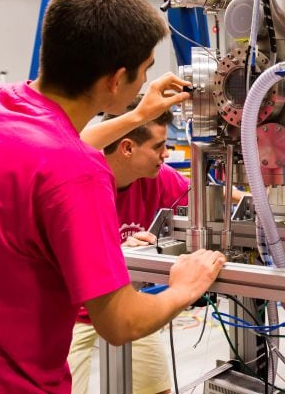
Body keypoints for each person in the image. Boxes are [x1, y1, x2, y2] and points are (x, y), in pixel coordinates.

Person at [0, 0, 225, 393]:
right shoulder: (79, 174)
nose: (143, 84)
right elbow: (119, 322)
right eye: (143, 73)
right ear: (116, 81)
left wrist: (140, 116)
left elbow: (50, 151)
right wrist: (182, 289)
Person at [69, 100, 188, 394]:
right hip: (70, 311)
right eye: (159, 146)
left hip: (127, 300)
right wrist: (118, 249)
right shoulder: (79, 180)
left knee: (156, 388)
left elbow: (205, 201)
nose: (166, 153)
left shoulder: (159, 178)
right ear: (127, 148)